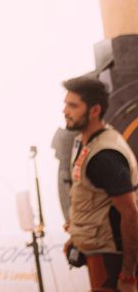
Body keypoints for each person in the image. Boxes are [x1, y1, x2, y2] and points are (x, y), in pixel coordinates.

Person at [62, 75, 138, 291]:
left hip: (111, 258)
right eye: (66, 104)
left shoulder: (105, 156)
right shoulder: (84, 140)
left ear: (94, 111)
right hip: (96, 254)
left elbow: (131, 215)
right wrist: (77, 235)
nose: (65, 111)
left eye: (73, 106)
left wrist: (128, 275)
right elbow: (92, 200)